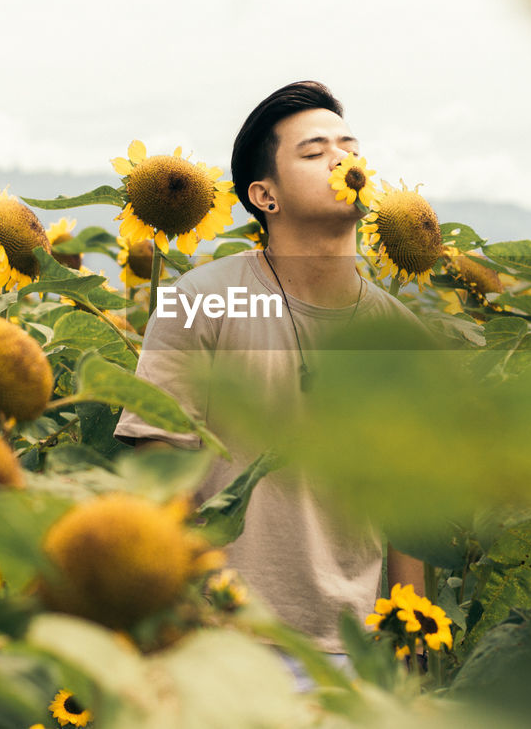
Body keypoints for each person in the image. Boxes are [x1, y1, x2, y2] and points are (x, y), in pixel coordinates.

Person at [112, 80, 426, 678]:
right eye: (313, 152)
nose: (341, 159)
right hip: (225, 641)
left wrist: (407, 640)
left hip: (353, 651)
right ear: (265, 196)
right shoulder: (198, 301)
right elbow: (159, 468)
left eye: (348, 146)